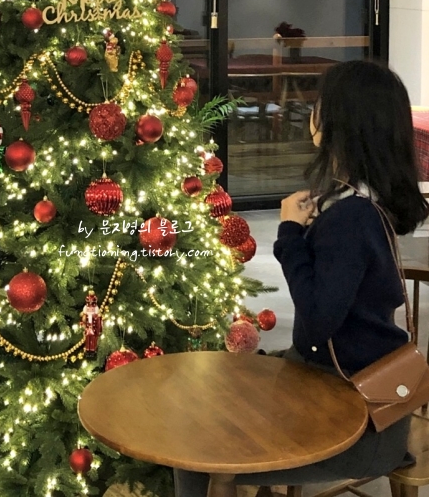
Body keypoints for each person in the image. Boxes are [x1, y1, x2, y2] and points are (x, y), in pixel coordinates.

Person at [174, 60, 428, 496]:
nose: (312, 113)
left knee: (193, 449)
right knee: (220, 399)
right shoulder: (364, 202)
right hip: (358, 394)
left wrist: (291, 233)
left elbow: (317, 322)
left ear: (339, 122)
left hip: (356, 419)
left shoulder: (350, 218)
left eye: (319, 104)